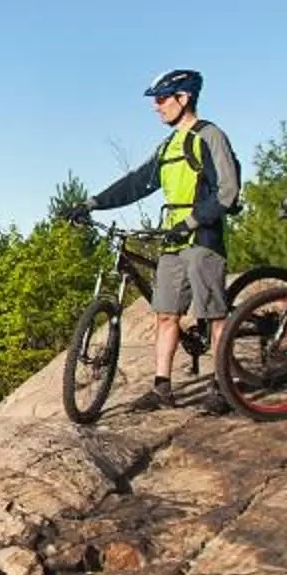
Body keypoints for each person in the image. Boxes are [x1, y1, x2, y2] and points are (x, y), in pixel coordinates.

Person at [84, 68, 243, 413]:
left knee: (215, 315)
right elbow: (137, 183)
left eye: (160, 99)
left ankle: (222, 387)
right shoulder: (169, 145)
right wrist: (92, 203)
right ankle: (161, 388)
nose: (155, 107)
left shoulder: (210, 136)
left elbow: (227, 192)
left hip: (202, 238)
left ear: (183, 98)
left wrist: (191, 222)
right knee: (166, 314)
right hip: (172, 241)